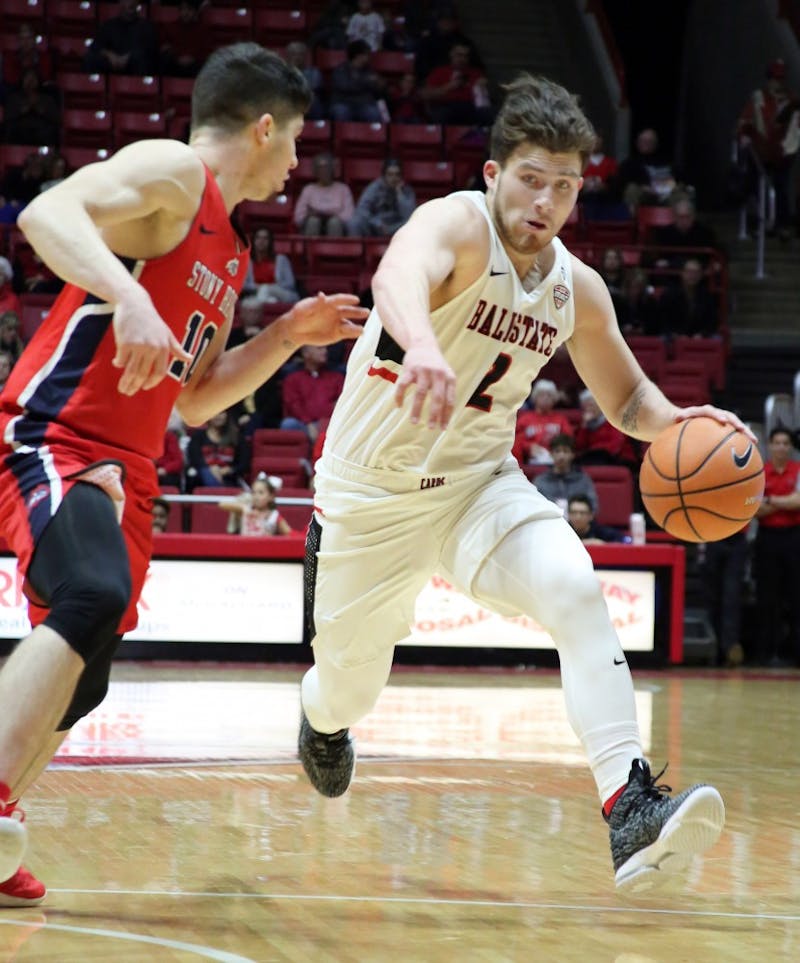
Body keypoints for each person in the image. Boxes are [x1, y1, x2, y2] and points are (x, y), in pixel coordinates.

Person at [296, 73, 750, 891]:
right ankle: (318, 714)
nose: (545, 200)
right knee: (345, 693)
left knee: (576, 582)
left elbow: (629, 399)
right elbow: (398, 273)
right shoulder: (457, 226)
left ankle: (630, 810)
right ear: (493, 174)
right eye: (531, 178)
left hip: (476, 483)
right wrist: (422, 344)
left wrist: (690, 423)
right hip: (372, 495)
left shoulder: (578, 287)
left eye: (565, 186)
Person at [0, 42, 367, 906]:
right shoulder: (174, 176)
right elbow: (46, 216)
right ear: (266, 127)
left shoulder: (231, 253)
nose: (297, 162)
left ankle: (3, 820)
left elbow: (194, 400)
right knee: (87, 595)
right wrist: (125, 296)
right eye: (297, 142)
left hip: (132, 461)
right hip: (56, 433)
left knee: (86, 672)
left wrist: (282, 337)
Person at [737, 59, 800, 242]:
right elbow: (745, 121)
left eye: (780, 78)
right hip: (759, 151)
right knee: (757, 187)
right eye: (774, 78)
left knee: (780, 188)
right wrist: (743, 135)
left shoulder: (792, 101)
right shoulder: (758, 98)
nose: (777, 82)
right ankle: (762, 223)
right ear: (768, 79)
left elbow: (794, 128)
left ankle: (781, 225)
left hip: (782, 153)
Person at [752, 426, 800, 666]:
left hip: (794, 539)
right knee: (767, 597)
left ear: (791, 447)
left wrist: (769, 500)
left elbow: (799, 502)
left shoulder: (798, 469)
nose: (781, 447)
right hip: (767, 538)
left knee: (796, 596)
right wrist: (786, 502)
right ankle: (765, 653)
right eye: (777, 443)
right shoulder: (760, 472)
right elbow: (753, 508)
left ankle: (795, 653)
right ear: (769, 446)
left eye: (786, 443)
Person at [280, 344, 344, 444]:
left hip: (330, 424)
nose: (325, 351)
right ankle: (299, 459)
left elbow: (342, 404)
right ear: (306, 353)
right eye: (320, 348)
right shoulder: (293, 379)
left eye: (325, 348)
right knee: (288, 424)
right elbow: (294, 406)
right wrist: (308, 423)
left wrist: (323, 423)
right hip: (304, 424)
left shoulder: (337, 378)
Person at [83, 0, 158, 75]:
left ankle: (142, 86)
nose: (131, 3)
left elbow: (150, 49)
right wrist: (110, 55)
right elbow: (96, 46)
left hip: (135, 63)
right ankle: (95, 86)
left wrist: (129, 57)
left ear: (137, 3)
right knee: (90, 58)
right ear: (120, 2)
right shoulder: (109, 25)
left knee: (143, 60)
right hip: (112, 62)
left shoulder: (146, 27)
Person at [511, 378, 573, 466]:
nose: (545, 398)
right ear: (535, 397)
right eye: (542, 394)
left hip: (555, 462)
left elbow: (568, 440)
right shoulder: (525, 419)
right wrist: (529, 447)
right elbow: (515, 440)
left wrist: (556, 450)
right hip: (530, 463)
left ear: (554, 399)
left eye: (549, 395)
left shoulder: (561, 419)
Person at [348, 157, 416, 237]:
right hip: (376, 226)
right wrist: (377, 223)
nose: (394, 178)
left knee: (412, 223)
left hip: (396, 227)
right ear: (384, 176)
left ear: (401, 176)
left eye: (397, 174)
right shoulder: (374, 188)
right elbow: (362, 209)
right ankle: (356, 249)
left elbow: (409, 216)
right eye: (390, 174)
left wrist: (399, 194)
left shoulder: (407, 190)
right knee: (355, 222)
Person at [575, 388, 639, 470]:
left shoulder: (613, 420)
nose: (588, 409)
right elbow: (580, 446)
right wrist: (584, 426)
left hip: (619, 458)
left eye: (591, 405)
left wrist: (595, 451)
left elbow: (616, 445)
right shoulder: (586, 425)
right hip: (595, 459)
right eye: (585, 407)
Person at [293, 152, 355, 237]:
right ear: (315, 170)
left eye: (326, 167)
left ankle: (334, 249)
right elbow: (298, 217)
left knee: (334, 223)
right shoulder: (308, 189)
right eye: (320, 168)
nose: (324, 171)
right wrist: (312, 215)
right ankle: (310, 249)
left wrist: (329, 214)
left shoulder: (343, 189)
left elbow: (349, 216)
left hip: (337, 225)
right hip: (312, 225)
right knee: (313, 221)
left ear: (332, 169)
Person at [534, 433, 598, 514]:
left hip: (578, 524)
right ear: (551, 454)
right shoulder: (540, 481)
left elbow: (593, 507)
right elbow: (534, 508)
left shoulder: (583, 480)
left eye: (566, 451)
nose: (561, 456)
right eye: (557, 451)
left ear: (573, 455)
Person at [328, 40, 387, 123]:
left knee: (373, 113)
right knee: (341, 112)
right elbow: (345, 86)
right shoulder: (341, 70)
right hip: (343, 102)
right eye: (366, 54)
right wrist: (366, 81)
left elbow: (375, 90)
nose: (369, 57)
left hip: (364, 104)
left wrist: (380, 85)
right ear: (358, 55)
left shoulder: (369, 70)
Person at [187, 409, 247, 488]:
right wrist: (210, 469)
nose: (218, 416)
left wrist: (227, 470)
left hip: (229, 478)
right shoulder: (198, 436)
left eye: (222, 413)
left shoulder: (237, 437)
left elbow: (244, 464)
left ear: (227, 415)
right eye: (214, 413)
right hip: (201, 479)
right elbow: (195, 459)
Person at [219, 472, 292, 536]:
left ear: (271, 496)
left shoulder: (274, 516)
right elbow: (222, 504)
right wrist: (243, 508)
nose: (256, 496)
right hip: (243, 549)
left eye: (261, 493)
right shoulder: (247, 508)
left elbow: (291, 534)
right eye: (253, 492)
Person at [241, 226, 300, 304]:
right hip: (257, 294)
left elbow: (290, 283)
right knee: (270, 300)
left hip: (280, 293)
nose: (261, 241)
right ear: (253, 241)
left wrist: (270, 287)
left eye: (265, 238)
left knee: (264, 290)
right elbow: (243, 284)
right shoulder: (248, 262)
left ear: (270, 242)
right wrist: (257, 287)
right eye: (258, 238)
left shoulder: (281, 260)